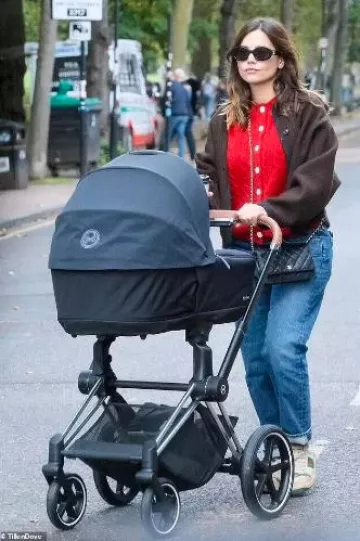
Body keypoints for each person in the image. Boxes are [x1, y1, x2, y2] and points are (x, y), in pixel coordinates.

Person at [196, 17, 340, 496]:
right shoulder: (223, 119)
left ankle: (299, 447)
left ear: (281, 59)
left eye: (261, 53)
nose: (251, 61)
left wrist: (270, 208)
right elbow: (209, 172)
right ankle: (275, 443)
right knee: (255, 360)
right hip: (245, 254)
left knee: (283, 348)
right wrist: (202, 196)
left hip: (299, 246)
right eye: (243, 54)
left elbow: (317, 184)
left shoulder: (308, 113)